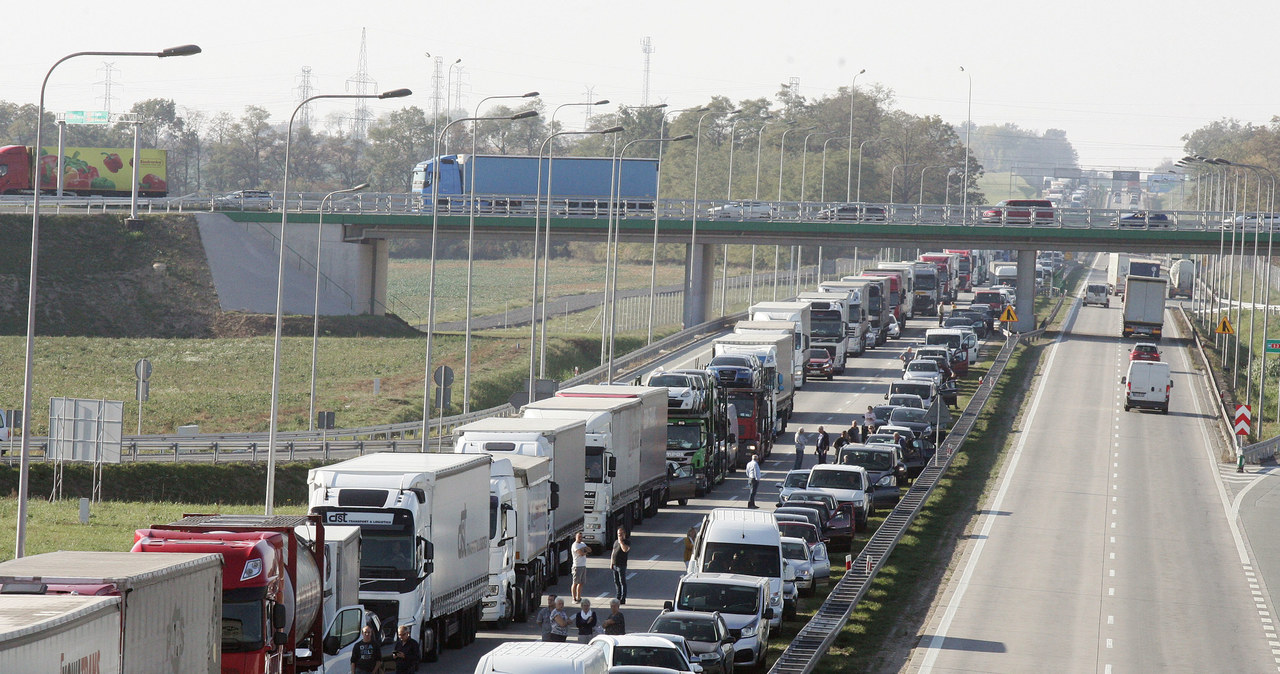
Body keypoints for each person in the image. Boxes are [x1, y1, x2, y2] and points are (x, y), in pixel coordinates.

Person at [611, 526, 630, 604]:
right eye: (618, 534)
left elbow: (625, 549)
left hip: (621, 565)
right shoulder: (616, 542)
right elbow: (613, 552)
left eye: (621, 534)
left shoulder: (626, 542)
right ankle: (618, 596)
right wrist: (611, 563)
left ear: (624, 534)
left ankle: (623, 598)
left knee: (622, 581)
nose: (619, 535)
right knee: (616, 581)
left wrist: (621, 542)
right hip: (615, 565)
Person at [571, 532, 589, 602]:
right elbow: (581, 553)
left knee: (581, 583)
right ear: (576, 537)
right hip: (577, 566)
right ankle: (574, 598)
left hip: (583, 565)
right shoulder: (575, 545)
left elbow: (589, 550)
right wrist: (584, 551)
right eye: (579, 537)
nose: (580, 538)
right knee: (575, 583)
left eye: (581, 537)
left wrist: (585, 550)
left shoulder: (582, 544)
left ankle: (579, 597)